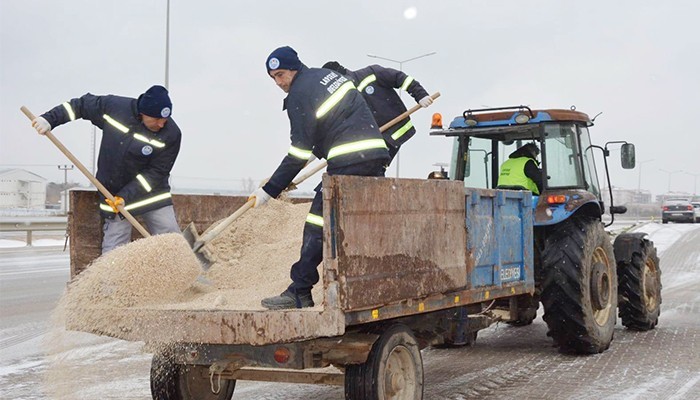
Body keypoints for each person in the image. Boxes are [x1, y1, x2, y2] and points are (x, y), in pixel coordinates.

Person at [250, 46, 390, 310]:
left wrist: (269, 190)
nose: (279, 83)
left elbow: (298, 153)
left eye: (281, 75)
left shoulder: (299, 95)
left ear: (294, 68)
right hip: (373, 154)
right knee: (356, 223)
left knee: (317, 223)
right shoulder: (325, 76)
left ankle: (299, 291)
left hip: (349, 160)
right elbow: (335, 122)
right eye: (273, 78)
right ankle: (364, 284)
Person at [30, 85, 182, 253]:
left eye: (165, 119)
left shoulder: (172, 134)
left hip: (151, 194)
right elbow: (81, 105)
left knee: (171, 238)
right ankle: (110, 279)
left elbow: (156, 173)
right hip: (113, 194)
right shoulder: (114, 108)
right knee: (115, 248)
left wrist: (126, 196)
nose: (161, 124)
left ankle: (183, 275)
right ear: (143, 112)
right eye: (156, 119)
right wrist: (50, 119)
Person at [322, 61, 433, 162]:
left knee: (371, 166)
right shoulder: (344, 98)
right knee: (363, 168)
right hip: (373, 140)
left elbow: (400, 78)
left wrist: (420, 95)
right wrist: (318, 152)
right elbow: (336, 127)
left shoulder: (371, 73)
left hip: (395, 130)